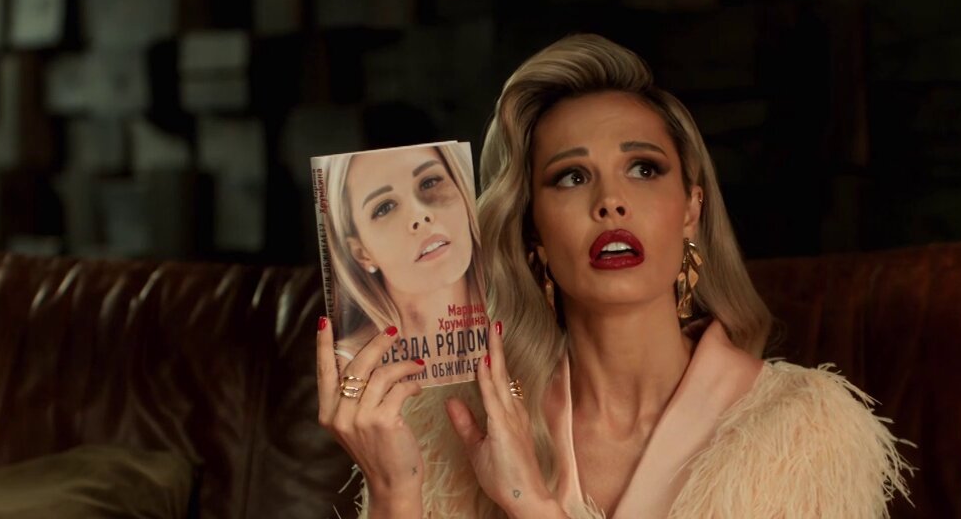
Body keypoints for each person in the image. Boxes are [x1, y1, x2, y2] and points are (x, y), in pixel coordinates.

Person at [316, 34, 910, 518]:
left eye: (644, 168)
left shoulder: (806, 432)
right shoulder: (454, 427)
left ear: (691, 208)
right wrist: (395, 490)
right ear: (531, 231)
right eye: (571, 177)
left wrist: (528, 503)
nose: (611, 201)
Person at [316, 143, 486, 382]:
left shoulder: (521, 322)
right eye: (384, 208)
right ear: (362, 253)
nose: (419, 216)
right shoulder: (351, 366)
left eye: (429, 182)